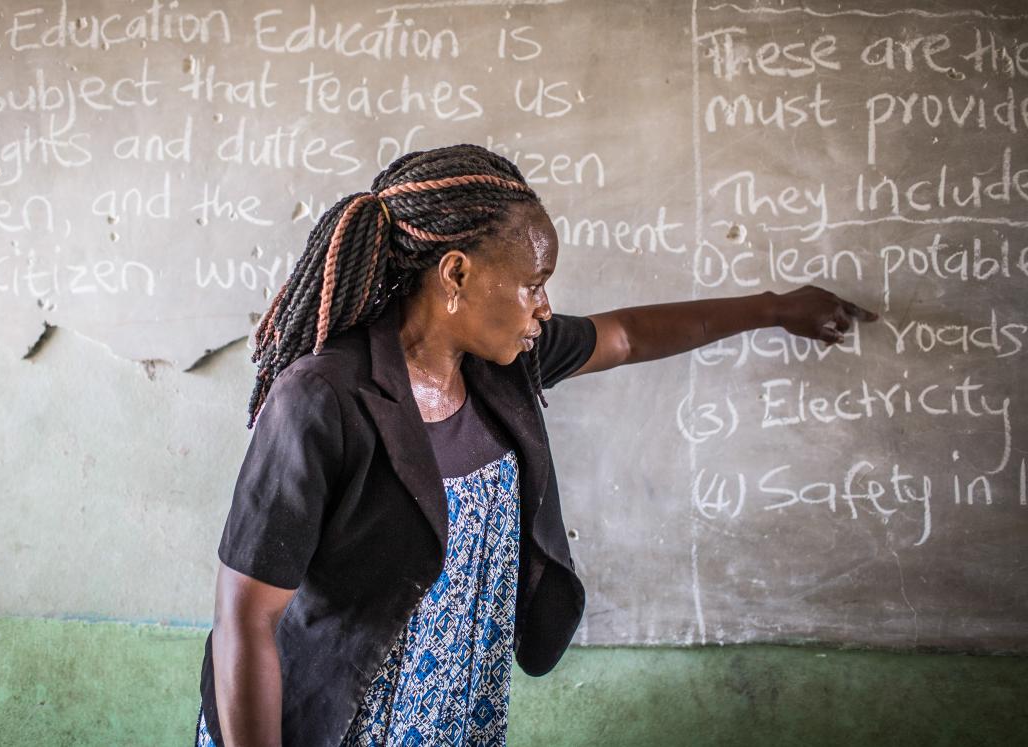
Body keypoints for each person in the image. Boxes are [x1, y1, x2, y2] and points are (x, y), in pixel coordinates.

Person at [195, 144, 877, 747]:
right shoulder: (323, 397)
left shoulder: (503, 366)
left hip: (454, 716)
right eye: (534, 284)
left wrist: (774, 307)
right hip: (330, 720)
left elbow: (629, 336)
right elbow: (246, 618)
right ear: (455, 274)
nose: (544, 308)